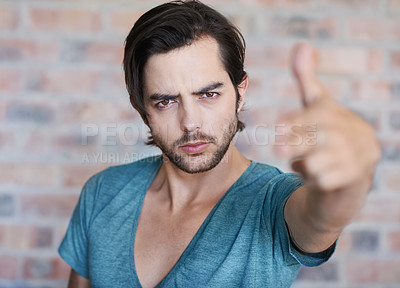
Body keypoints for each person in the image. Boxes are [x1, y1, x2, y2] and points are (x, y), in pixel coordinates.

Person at [58, 1, 381, 287]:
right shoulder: (102, 192)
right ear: (141, 109)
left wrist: (353, 180)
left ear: (240, 93)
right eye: (166, 102)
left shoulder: (273, 202)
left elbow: (322, 217)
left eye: (208, 95)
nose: (190, 122)